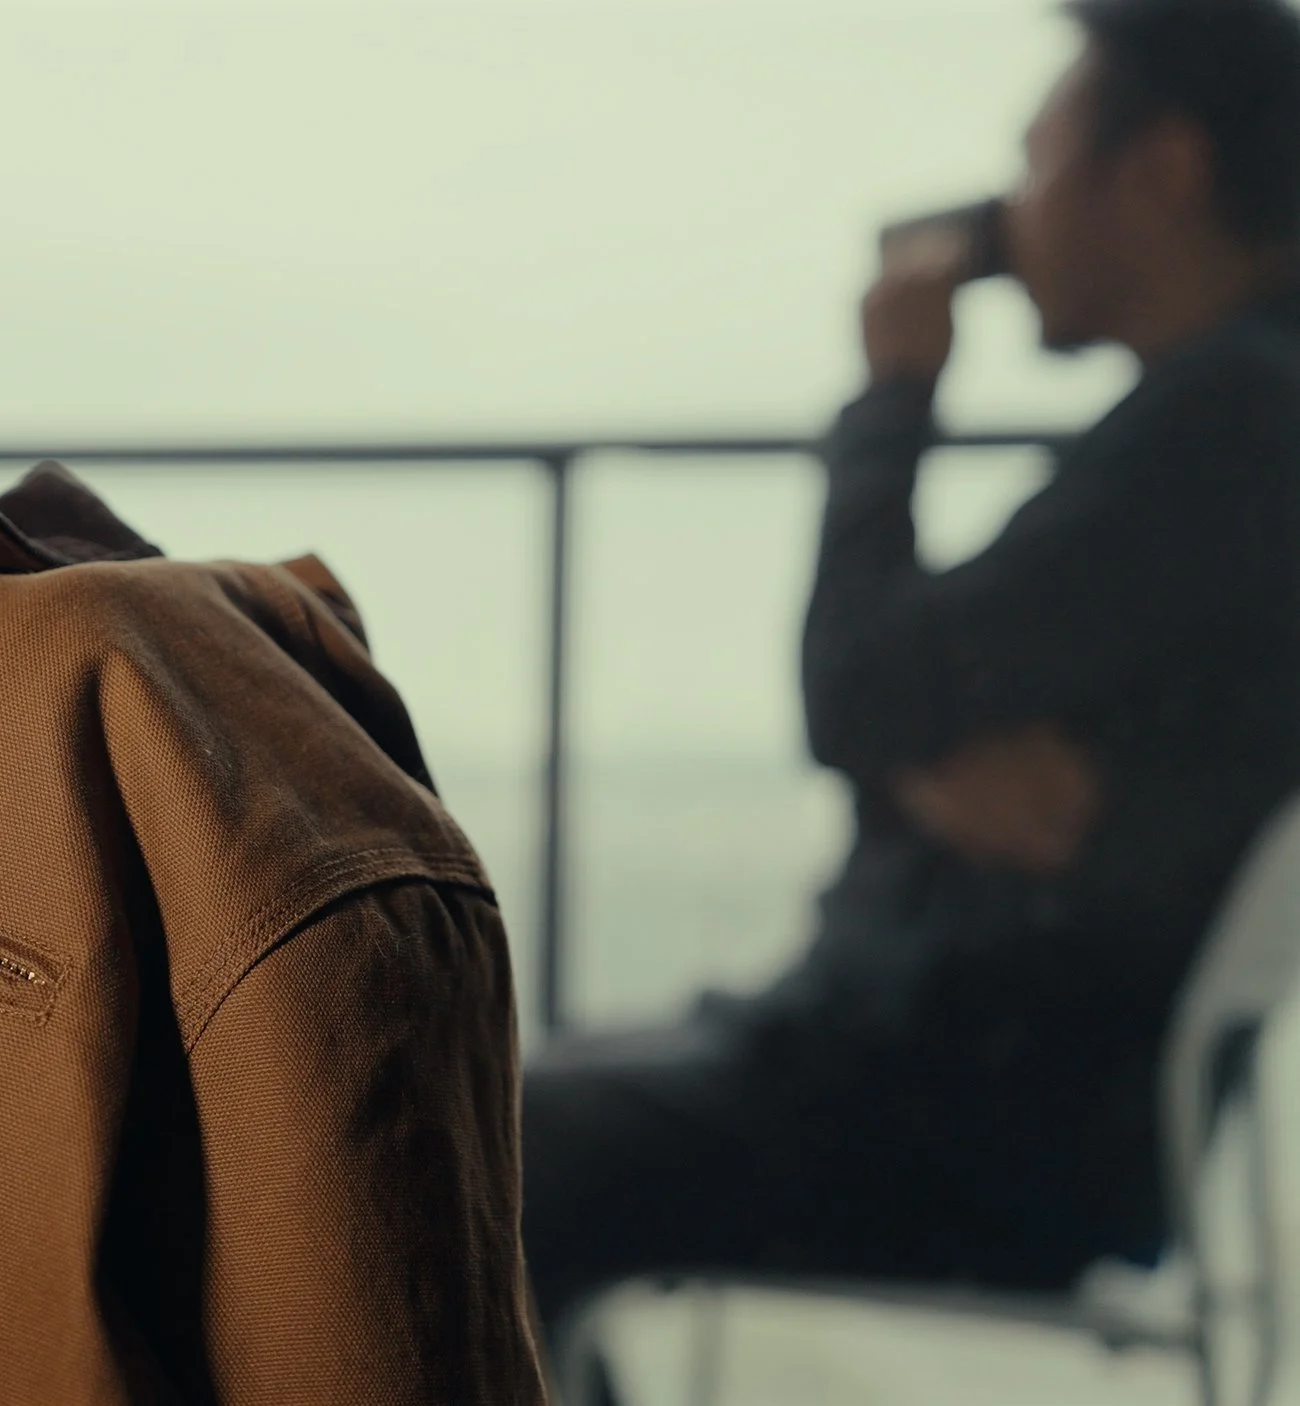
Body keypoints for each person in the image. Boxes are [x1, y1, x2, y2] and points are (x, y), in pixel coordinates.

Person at [523, 0, 1300, 1377]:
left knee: (440, 1135)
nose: (1010, 208)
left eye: (1039, 159)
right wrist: (925, 741)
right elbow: (901, 705)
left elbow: (861, 688)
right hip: (954, 1086)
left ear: (1166, 170)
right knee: (481, 1107)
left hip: (948, 1116)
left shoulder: (1228, 428)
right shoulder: (1228, 424)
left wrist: (893, 394)